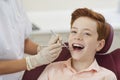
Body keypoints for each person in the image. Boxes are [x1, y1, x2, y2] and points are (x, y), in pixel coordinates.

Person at [37, 8, 117, 80]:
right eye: (74, 31)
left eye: (86, 33)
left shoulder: (107, 77)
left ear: (99, 45)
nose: (78, 37)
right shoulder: (52, 70)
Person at [0, 0, 62, 80]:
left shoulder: (16, 2)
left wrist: (41, 49)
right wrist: (33, 61)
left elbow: (20, 41)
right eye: (74, 31)